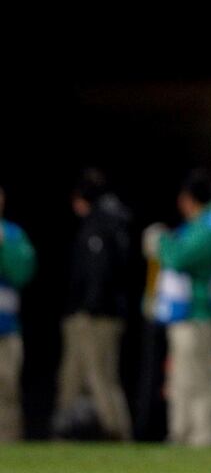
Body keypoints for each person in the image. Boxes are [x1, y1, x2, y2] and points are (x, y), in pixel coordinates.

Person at [155, 170, 211, 446]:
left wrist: (160, 241)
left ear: (191, 199)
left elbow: (178, 258)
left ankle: (202, 438)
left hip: (199, 315)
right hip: (191, 315)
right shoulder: (205, 225)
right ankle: (181, 435)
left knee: (198, 381)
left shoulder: (209, 228)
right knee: (181, 380)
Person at [55, 169, 133, 441]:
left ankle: (116, 433)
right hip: (95, 313)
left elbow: (99, 271)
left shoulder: (101, 224)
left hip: (96, 315)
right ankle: (64, 432)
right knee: (73, 377)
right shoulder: (109, 221)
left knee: (100, 376)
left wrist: (89, 306)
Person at [0, 186, 36, 442]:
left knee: (7, 390)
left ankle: (8, 443)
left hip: (6, 328)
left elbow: (22, 273)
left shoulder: (12, 235)